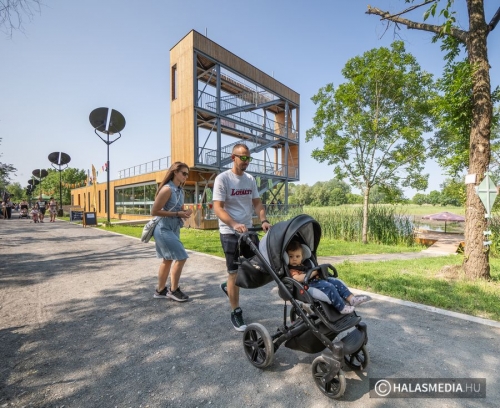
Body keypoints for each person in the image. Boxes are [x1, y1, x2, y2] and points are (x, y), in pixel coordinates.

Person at [213, 143, 271, 331]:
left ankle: (228, 286)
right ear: (233, 158)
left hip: (248, 230)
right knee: (234, 272)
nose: (246, 161)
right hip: (230, 232)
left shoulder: (250, 179)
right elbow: (218, 208)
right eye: (243, 158)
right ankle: (235, 311)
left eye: (248, 158)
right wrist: (233, 224)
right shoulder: (223, 179)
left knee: (261, 264)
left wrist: (263, 220)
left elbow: (257, 203)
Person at [286, 240, 370, 314]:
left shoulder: (305, 264)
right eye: (291, 256)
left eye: (297, 256)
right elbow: (297, 278)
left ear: (302, 256)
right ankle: (341, 307)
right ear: (287, 257)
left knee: (336, 282)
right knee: (329, 287)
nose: (294, 259)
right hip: (308, 285)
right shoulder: (292, 270)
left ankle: (352, 299)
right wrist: (313, 273)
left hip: (317, 280)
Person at [151, 162, 193, 302]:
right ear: (175, 172)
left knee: (167, 259)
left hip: (174, 228)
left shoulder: (180, 190)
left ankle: (160, 290)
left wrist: (185, 212)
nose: (186, 176)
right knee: (181, 257)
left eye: (187, 174)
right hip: (163, 228)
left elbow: (178, 209)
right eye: (184, 173)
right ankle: (173, 290)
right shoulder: (167, 189)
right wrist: (177, 214)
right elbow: (154, 211)